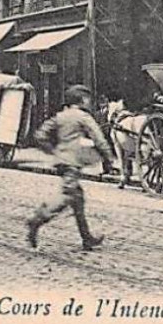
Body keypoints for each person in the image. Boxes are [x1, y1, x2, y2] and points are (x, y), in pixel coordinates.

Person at [26, 84, 113, 250]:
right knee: (66, 197)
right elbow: (99, 139)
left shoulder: (60, 116)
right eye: (88, 99)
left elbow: (40, 135)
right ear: (82, 100)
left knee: (77, 199)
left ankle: (87, 237)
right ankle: (36, 220)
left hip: (62, 161)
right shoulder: (83, 117)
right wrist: (108, 159)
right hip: (73, 163)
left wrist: (53, 151)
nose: (89, 102)